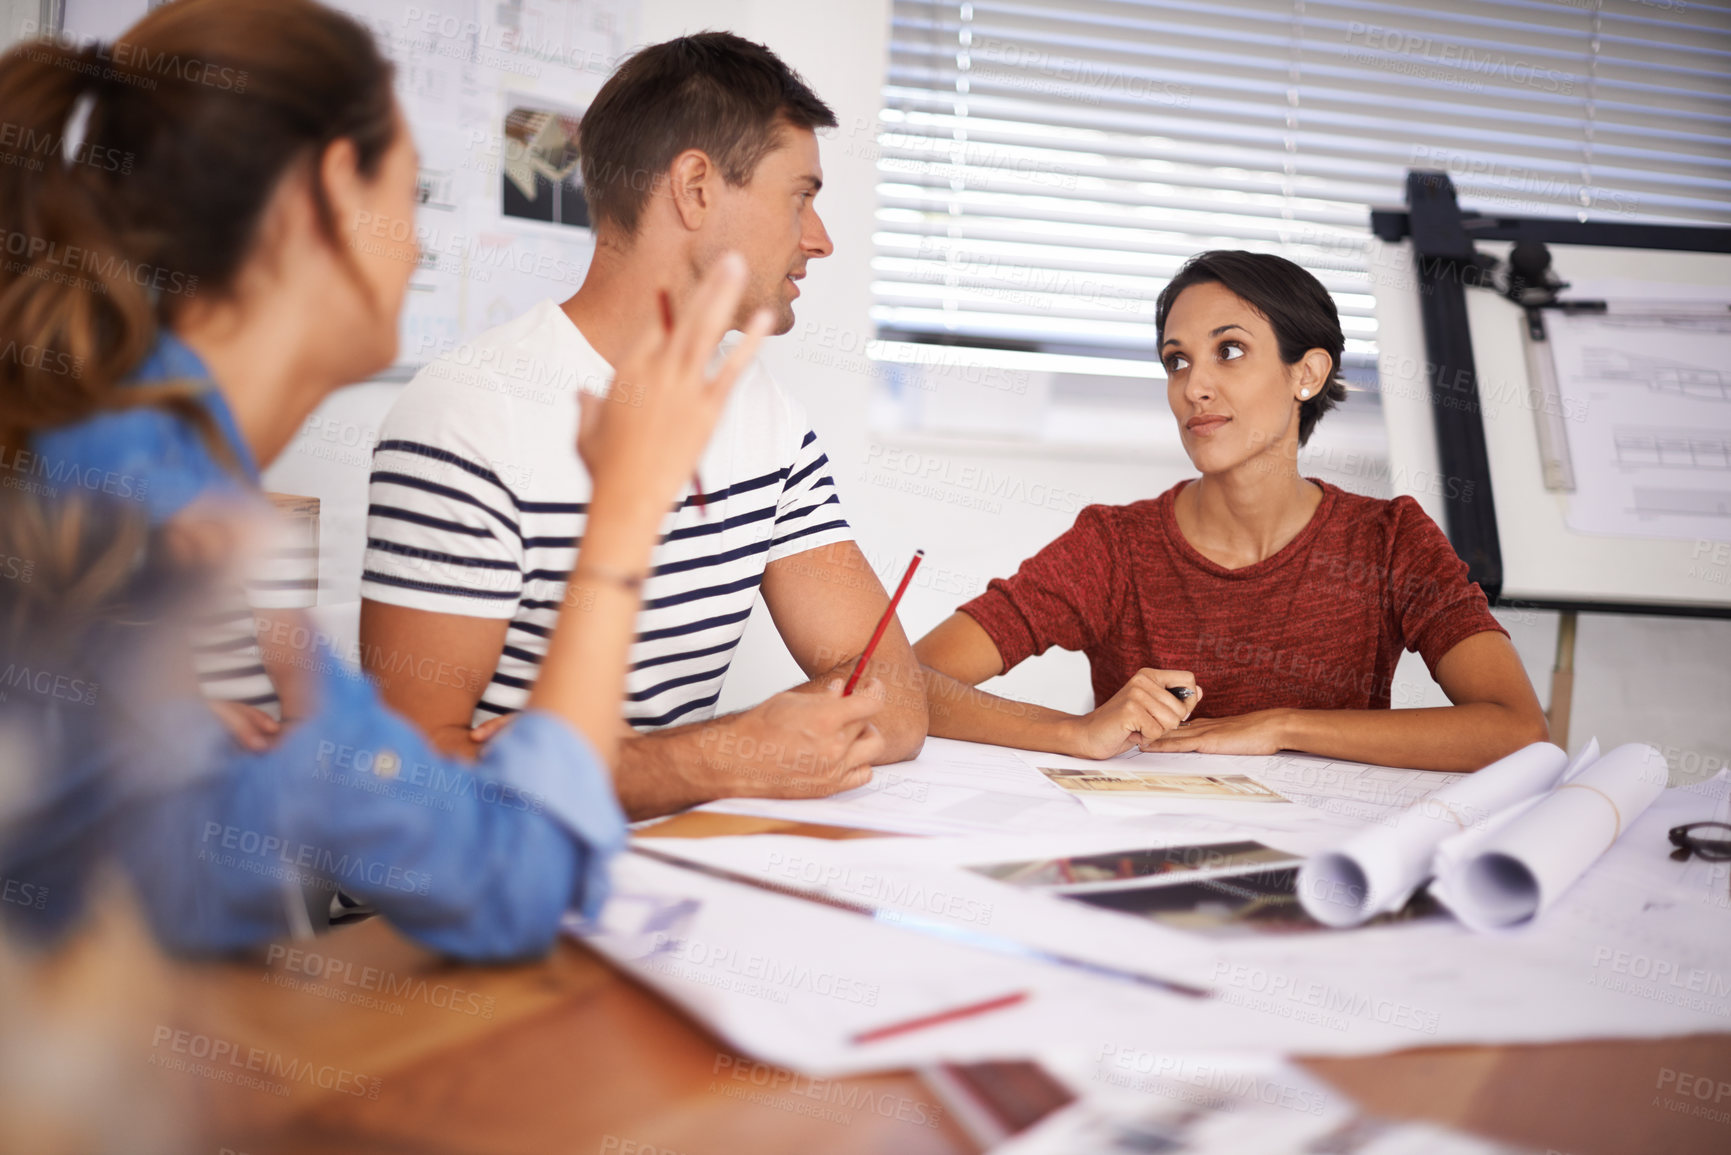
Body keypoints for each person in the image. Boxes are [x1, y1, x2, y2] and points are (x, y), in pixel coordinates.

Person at [0, 0, 826, 958]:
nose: (424, 247)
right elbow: (508, 882)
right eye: (416, 195)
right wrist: (625, 515)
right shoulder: (156, 517)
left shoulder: (166, 492)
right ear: (330, 193)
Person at [357, 32, 927, 819]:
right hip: (467, 906)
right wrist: (730, 752)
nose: (819, 238)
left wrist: (636, 762)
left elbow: (893, 697)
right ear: (694, 187)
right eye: (800, 195)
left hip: (654, 866)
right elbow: (412, 783)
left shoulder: (765, 414)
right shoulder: (467, 416)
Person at [914, 251, 1548, 773]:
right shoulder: (1113, 545)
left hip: (1327, 865)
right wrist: (1077, 731)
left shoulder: (1389, 541)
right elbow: (905, 680)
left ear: (1308, 374)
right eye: (1177, 360)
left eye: (1231, 350)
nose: (1194, 387)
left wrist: (1278, 727)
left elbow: (1515, 729)